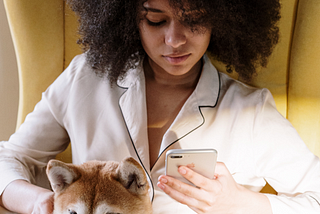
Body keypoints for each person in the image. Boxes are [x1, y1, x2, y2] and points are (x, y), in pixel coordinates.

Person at [0, 0, 319, 213]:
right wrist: (40, 203)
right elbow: (9, 158)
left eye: (193, 20)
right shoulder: (85, 80)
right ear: (129, 20)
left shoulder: (251, 112)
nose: (174, 39)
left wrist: (242, 204)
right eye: (155, 20)